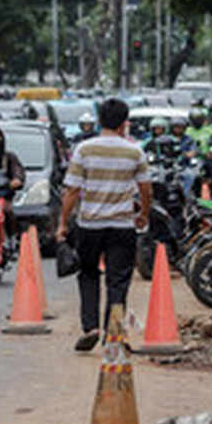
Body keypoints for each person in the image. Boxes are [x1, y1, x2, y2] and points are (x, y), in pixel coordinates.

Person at [55, 98, 152, 352]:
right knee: (117, 280)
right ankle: (114, 332)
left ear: (99, 122)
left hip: (90, 225)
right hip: (122, 225)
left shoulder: (84, 150)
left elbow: (72, 191)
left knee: (88, 273)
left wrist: (63, 223)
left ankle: (91, 327)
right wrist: (143, 213)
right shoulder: (135, 151)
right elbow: (146, 187)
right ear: (124, 123)